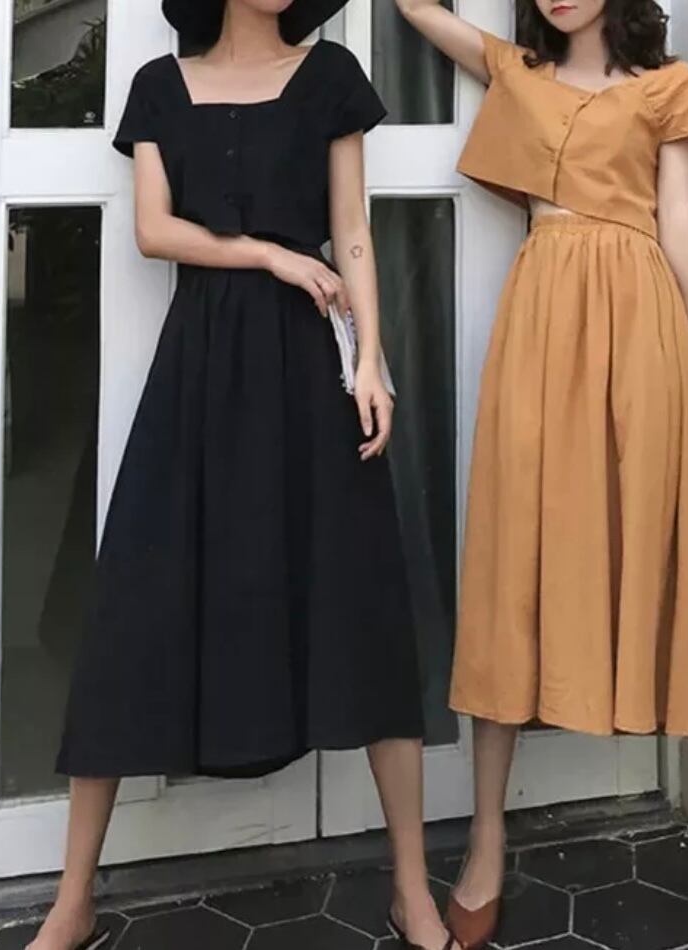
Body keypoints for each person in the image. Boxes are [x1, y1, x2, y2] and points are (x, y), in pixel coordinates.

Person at [27, 1, 456, 948]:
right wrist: (267, 254)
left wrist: (372, 359)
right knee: (139, 602)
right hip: (201, 361)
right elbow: (153, 231)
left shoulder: (331, 77)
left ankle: (411, 888)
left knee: (360, 600)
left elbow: (351, 231)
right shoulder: (158, 86)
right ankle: (72, 899)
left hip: (310, 367)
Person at [395, 1, 688, 948]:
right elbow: (413, 7)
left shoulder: (668, 87)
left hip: (641, 320)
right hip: (538, 322)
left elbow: (677, 219)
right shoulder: (514, 71)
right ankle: (486, 842)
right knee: (512, 568)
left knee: (675, 573)